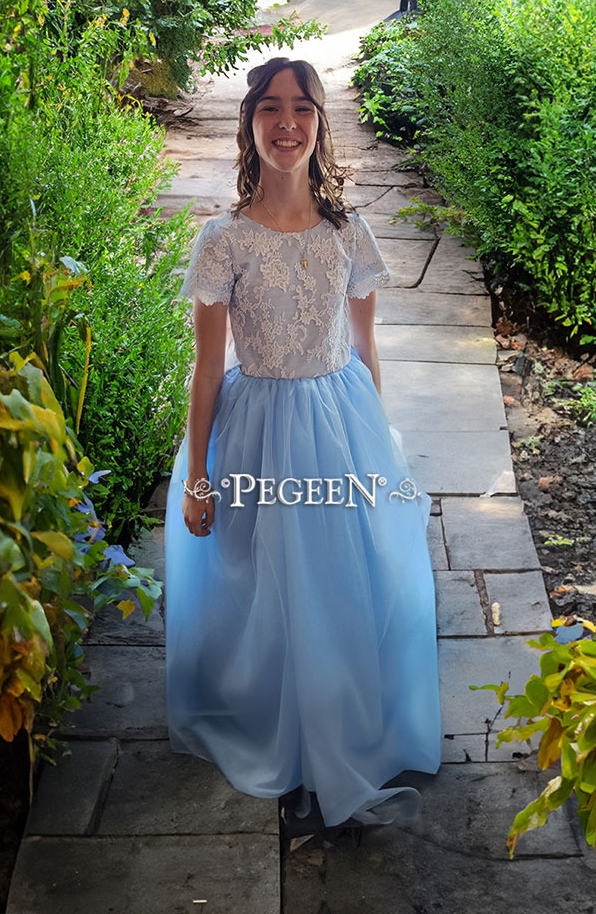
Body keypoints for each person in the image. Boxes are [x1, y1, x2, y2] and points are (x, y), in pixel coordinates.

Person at [164, 56, 441, 828]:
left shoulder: (347, 232)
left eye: (304, 108)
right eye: (271, 108)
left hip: (338, 424)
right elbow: (206, 367)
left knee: (341, 573)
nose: (288, 123)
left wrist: (379, 443)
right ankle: (274, 724)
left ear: (321, 124)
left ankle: (338, 719)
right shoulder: (223, 240)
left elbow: (366, 344)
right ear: (249, 123)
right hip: (255, 429)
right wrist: (199, 474)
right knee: (264, 578)